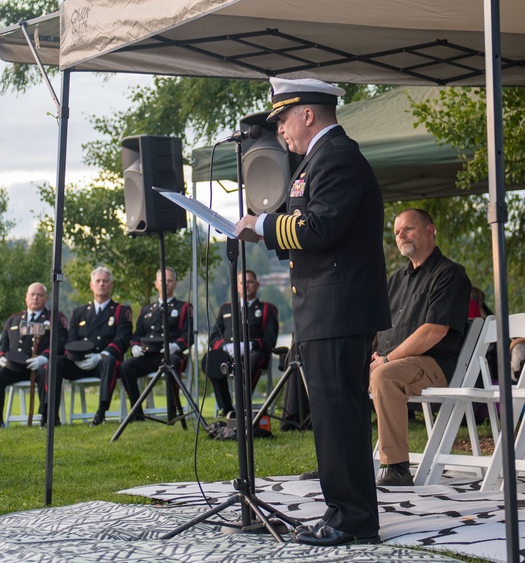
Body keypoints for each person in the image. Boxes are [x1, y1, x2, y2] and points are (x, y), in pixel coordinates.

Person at [237, 77, 390, 546]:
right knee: (331, 414)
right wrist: (266, 231)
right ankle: (342, 511)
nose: (281, 130)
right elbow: (316, 232)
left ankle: (353, 519)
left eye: (283, 118)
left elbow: (320, 226)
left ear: (308, 114)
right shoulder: (319, 159)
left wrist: (264, 225)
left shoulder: (336, 156)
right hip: (326, 304)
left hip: (338, 306)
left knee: (339, 414)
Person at [369, 208, 471, 487]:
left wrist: (386, 359)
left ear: (430, 230)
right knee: (340, 372)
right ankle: (343, 464)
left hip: (433, 364)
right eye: (397, 231)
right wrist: (366, 355)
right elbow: (378, 327)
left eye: (408, 229)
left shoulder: (450, 274)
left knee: (383, 376)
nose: (401, 235)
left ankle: (396, 468)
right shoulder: (396, 280)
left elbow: (433, 332)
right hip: (392, 362)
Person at [44, 266, 132, 426]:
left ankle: (101, 412)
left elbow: (123, 339)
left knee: (110, 361)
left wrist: (101, 355)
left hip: (102, 364)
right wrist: (76, 358)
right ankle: (51, 416)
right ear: (91, 285)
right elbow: (70, 341)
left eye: (105, 281)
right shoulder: (79, 312)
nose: (101, 284)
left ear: (111, 285)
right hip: (79, 363)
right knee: (55, 362)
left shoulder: (120, 311)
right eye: (97, 281)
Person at [0, 283, 68, 429]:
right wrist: (1, 358)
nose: (35, 298)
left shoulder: (54, 318)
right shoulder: (13, 320)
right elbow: (2, 343)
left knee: (47, 372)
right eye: (32, 294)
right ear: (26, 297)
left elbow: (61, 341)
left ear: (46, 298)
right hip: (15, 367)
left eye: (40, 295)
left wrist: (44, 357)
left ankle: (46, 417)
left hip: (40, 366)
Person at [201, 270, 278, 417]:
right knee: (211, 360)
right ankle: (227, 409)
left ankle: (243, 406)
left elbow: (270, 340)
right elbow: (213, 337)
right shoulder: (226, 308)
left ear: (257, 285)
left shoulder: (267, 309)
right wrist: (224, 346)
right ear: (237, 286)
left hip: (254, 353)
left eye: (249, 282)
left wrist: (249, 345)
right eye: (242, 282)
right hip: (228, 353)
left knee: (253, 359)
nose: (246, 286)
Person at [120, 267, 193, 417]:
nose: (166, 284)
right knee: (126, 366)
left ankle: (173, 410)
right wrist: (135, 347)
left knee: (173, 362)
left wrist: (176, 346)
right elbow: (137, 335)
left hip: (172, 355)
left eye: (169, 280)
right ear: (156, 284)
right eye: (162, 281)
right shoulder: (146, 310)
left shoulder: (184, 307)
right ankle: (136, 412)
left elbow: (189, 334)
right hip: (149, 356)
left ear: (175, 284)